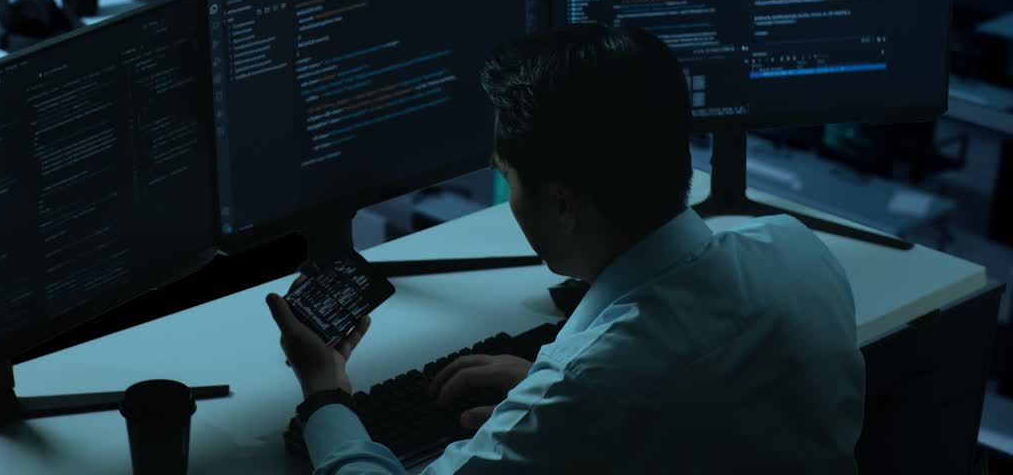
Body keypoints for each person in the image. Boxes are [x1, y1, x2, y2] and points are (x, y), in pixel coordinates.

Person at [266, 24, 865, 474]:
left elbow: (620, 387)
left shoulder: (594, 383)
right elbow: (706, 407)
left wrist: (325, 393)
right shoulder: (796, 250)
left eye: (507, 177)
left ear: (563, 203)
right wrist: (541, 390)